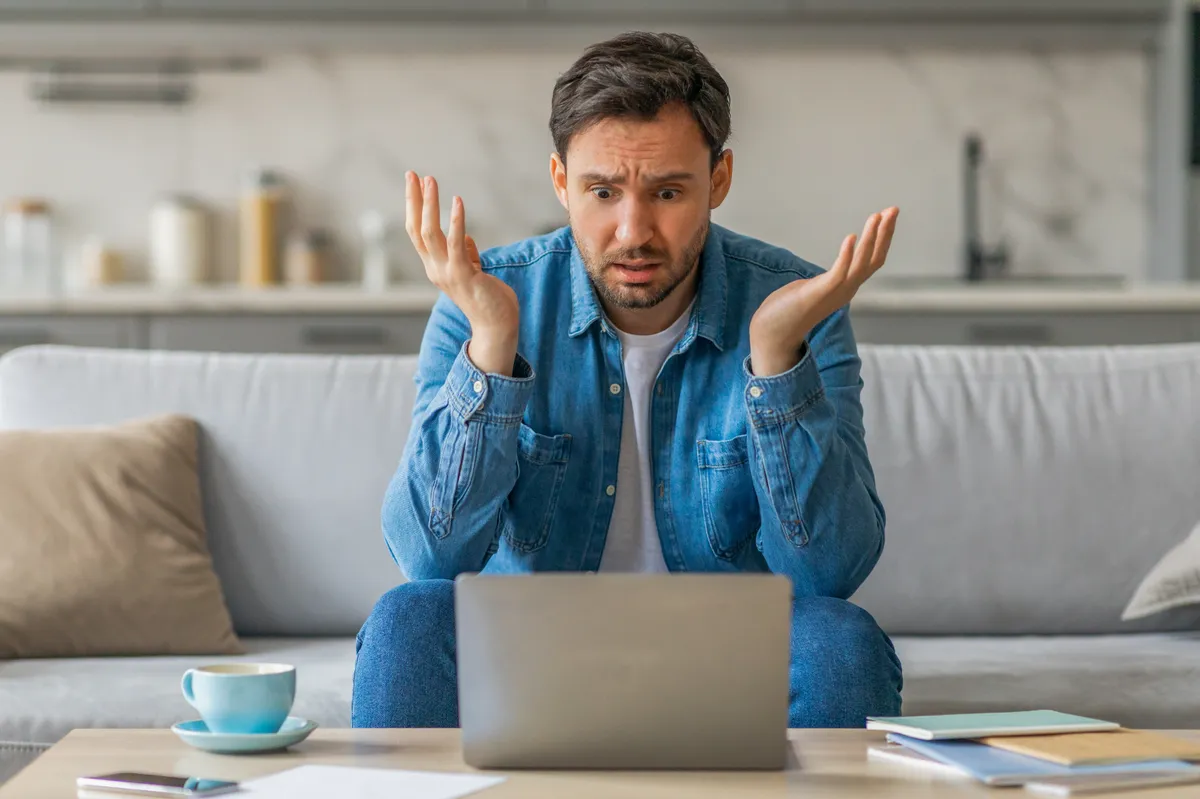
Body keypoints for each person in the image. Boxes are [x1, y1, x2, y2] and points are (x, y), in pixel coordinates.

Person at [353, 30, 902, 730]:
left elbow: (829, 573)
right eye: (602, 191)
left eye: (667, 191)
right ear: (561, 182)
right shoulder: (483, 299)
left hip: (727, 657)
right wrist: (491, 347)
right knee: (407, 619)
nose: (632, 231)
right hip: (532, 654)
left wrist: (775, 357)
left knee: (842, 642)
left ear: (719, 180)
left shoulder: (798, 306)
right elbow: (428, 556)